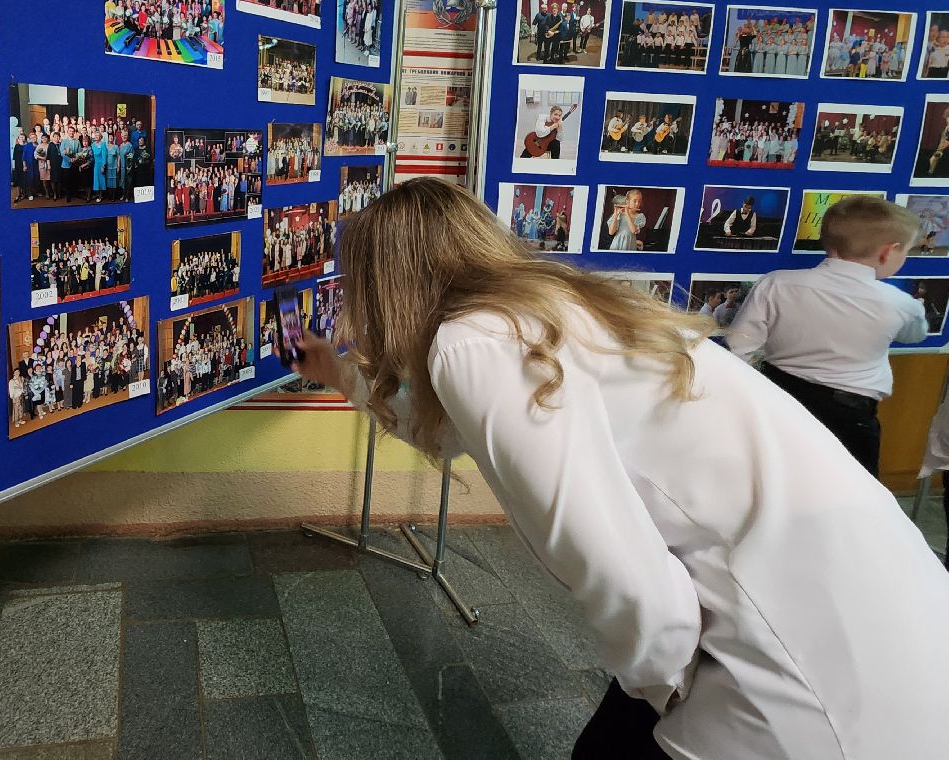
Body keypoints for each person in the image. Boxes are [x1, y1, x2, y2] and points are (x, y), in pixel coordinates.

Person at [293, 178, 949, 760]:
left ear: (387, 281)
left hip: (798, 644)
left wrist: (666, 689)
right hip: (861, 597)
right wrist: (344, 378)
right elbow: (445, 438)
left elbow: (616, 567)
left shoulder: (476, 339)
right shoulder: (535, 312)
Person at [728, 198, 927, 477]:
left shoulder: (777, 283)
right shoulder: (899, 303)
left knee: (776, 478)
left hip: (779, 400)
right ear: (887, 252)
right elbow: (915, 335)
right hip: (849, 415)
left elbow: (739, 346)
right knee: (849, 488)